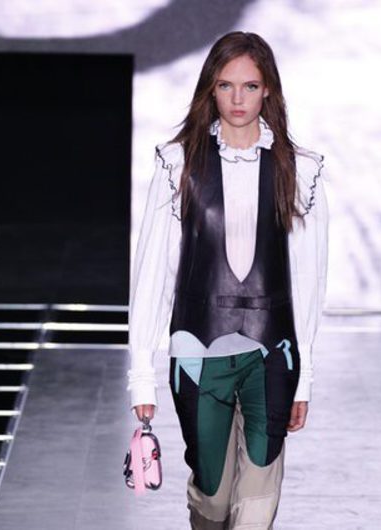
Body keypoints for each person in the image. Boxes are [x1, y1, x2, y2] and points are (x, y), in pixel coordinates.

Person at [127, 31, 329, 529]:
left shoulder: (300, 171)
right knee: (213, 498)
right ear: (210, 89)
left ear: (268, 90)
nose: (238, 99)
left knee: (258, 497)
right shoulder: (178, 165)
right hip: (197, 353)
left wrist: (304, 376)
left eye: (250, 86)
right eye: (226, 85)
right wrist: (141, 375)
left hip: (272, 353)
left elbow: (308, 279)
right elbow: (153, 271)